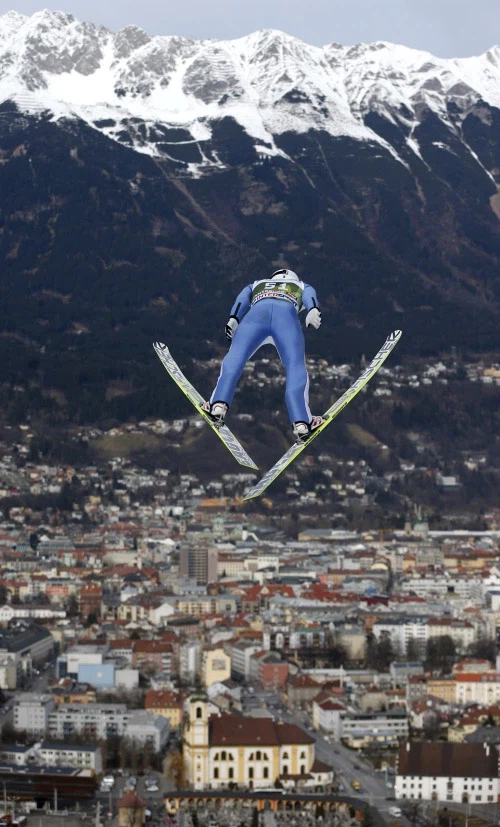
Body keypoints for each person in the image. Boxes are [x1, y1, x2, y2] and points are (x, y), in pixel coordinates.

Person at [203, 268, 324, 441]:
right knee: (295, 366)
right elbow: (310, 295)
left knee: (235, 357)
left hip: (255, 317)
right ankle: (302, 422)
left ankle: (218, 405)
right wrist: (313, 309)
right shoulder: (301, 285)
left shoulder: (256, 284)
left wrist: (234, 318)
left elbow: (242, 299)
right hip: (286, 318)